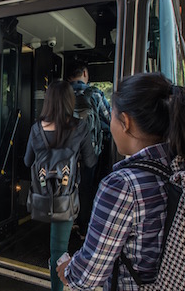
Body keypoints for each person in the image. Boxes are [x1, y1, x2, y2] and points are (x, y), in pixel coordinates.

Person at [57, 73, 185, 290]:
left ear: (125, 122)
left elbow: (88, 276)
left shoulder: (123, 186)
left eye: (112, 117)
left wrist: (68, 269)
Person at [23, 80, 96, 291]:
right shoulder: (81, 126)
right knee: (58, 250)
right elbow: (91, 163)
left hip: (41, 198)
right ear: (69, 101)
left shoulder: (36, 128)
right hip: (65, 199)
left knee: (51, 244)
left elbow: (27, 161)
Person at [66, 63, 112, 240]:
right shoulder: (95, 94)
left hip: (64, 153)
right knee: (86, 189)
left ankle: (64, 222)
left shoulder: (58, 95)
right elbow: (109, 119)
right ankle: (84, 228)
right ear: (84, 73)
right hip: (89, 153)